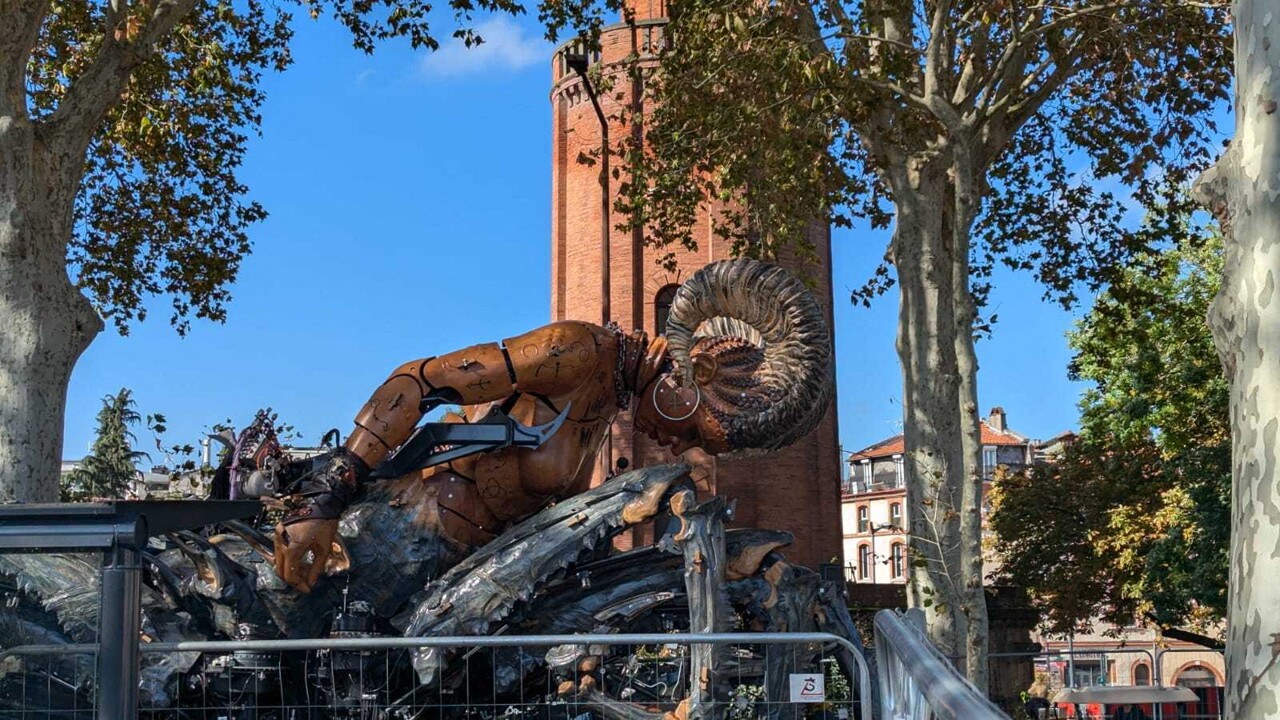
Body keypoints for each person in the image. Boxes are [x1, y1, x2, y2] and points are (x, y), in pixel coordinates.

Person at [269, 259, 834, 592]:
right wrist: (321, 506)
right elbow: (418, 381)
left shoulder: (609, 395)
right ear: (690, 375)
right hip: (385, 546)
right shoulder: (576, 351)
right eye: (693, 432)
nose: (680, 446)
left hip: (456, 581)